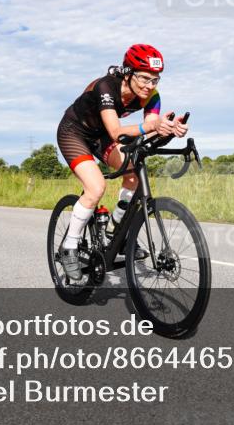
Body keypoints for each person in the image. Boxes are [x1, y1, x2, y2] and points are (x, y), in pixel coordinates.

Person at [55, 44, 188, 280]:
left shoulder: (152, 96)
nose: (149, 86)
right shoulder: (106, 87)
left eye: (155, 80)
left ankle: (114, 230)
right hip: (73, 132)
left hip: (100, 136)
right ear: (128, 72)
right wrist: (151, 126)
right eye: (144, 78)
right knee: (96, 187)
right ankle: (69, 246)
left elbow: (150, 131)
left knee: (133, 176)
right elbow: (117, 132)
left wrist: (168, 130)